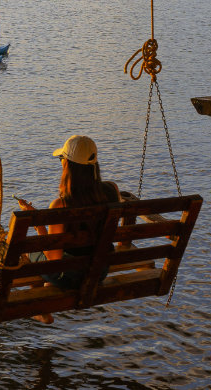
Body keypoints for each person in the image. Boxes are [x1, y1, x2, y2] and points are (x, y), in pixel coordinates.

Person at [15, 134, 122, 324]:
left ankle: (38, 305)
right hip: (100, 271)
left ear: (67, 165)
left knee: (31, 253)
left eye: (61, 159)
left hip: (70, 277)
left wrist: (39, 225)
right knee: (56, 253)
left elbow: (53, 259)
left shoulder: (60, 204)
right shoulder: (113, 190)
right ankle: (46, 290)